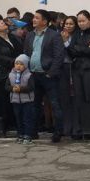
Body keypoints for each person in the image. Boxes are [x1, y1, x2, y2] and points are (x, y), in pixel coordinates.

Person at [24, 9, 65, 142]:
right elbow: (27, 53)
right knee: (34, 104)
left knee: (55, 104)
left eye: (37, 18)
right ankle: (33, 131)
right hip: (34, 75)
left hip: (49, 76)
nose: (34, 20)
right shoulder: (30, 35)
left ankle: (58, 132)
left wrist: (50, 73)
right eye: (34, 17)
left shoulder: (54, 35)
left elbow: (59, 56)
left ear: (45, 21)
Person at [68, 10, 90, 140]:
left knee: (89, 97)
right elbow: (71, 49)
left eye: (83, 21)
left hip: (89, 69)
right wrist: (85, 48)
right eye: (79, 21)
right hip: (77, 69)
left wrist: (80, 48)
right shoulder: (76, 33)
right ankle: (78, 129)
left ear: (89, 20)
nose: (81, 23)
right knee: (78, 98)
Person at [0, 14, 22, 137]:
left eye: (1, 21)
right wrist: (15, 62)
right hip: (3, 74)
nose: (2, 22)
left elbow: (21, 51)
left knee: (16, 99)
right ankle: (1, 127)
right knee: (3, 101)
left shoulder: (13, 37)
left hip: (17, 73)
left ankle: (16, 125)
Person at [5, 54, 35, 144]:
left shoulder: (29, 75)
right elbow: (6, 87)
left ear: (25, 65)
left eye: (21, 64)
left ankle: (28, 135)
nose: (18, 66)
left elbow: (31, 87)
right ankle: (20, 134)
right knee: (18, 118)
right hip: (15, 101)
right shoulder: (10, 75)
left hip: (27, 101)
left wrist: (21, 89)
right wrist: (12, 88)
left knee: (26, 118)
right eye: (17, 63)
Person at [59, 15, 78, 138]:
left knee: (74, 99)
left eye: (71, 24)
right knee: (64, 99)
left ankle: (74, 128)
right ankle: (65, 128)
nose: (68, 26)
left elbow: (74, 53)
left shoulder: (77, 37)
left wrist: (66, 42)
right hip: (62, 69)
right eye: (66, 24)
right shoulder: (58, 36)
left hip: (74, 68)